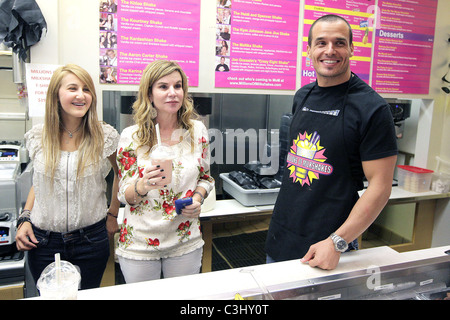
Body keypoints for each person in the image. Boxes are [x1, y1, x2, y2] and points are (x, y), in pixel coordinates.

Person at [265, 14, 398, 270]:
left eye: (339, 43)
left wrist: (338, 241)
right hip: (282, 232)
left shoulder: (371, 107)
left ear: (351, 49)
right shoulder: (303, 95)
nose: (330, 50)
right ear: (309, 50)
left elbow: (380, 187)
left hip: (331, 244)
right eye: (321, 43)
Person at [15, 64, 121, 289]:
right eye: (73, 88)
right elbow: (41, 182)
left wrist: (113, 215)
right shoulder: (38, 136)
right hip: (43, 242)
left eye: (86, 89)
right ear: (56, 94)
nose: (81, 95)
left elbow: (121, 174)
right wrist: (25, 217)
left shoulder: (105, 136)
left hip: (91, 240)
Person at [116, 60, 214, 283]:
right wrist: (142, 185)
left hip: (184, 238)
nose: (172, 93)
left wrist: (197, 198)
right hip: (140, 243)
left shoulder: (197, 130)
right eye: (163, 87)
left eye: (178, 86)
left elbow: (206, 178)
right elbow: (124, 195)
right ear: (149, 94)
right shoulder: (131, 136)